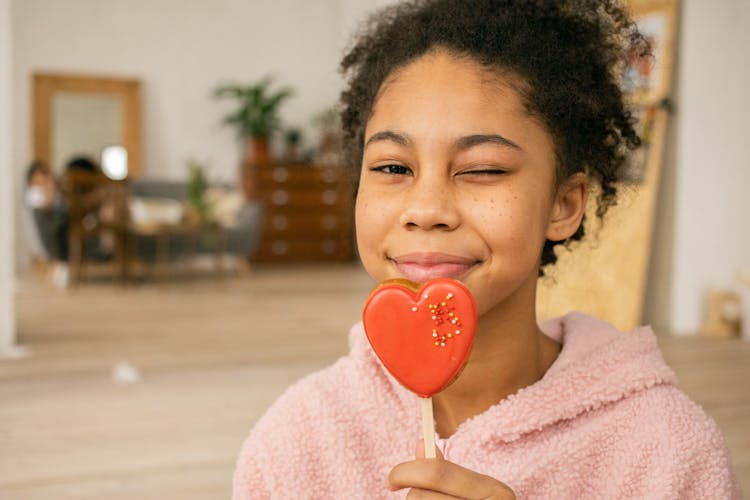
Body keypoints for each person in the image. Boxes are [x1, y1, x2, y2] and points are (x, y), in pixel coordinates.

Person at [233, 0, 741, 498]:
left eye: (483, 169)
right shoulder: (295, 441)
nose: (426, 208)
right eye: (392, 168)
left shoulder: (669, 452)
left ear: (563, 204)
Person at [25, 161, 70, 288]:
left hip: (57, 223)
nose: (42, 178)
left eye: (44, 175)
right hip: (49, 226)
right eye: (38, 175)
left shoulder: (54, 190)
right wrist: (50, 189)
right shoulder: (33, 193)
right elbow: (46, 207)